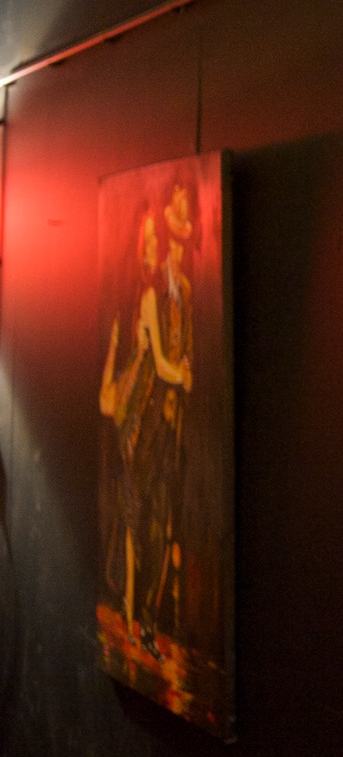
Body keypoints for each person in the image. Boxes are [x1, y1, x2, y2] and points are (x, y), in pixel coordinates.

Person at [98, 205, 193, 658]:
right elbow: (151, 369)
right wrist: (177, 372)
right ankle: (136, 622)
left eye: (159, 239)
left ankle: (140, 621)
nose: (155, 248)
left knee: (150, 524)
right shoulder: (145, 295)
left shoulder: (167, 293)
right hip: (135, 421)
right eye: (149, 240)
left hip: (151, 420)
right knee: (139, 523)